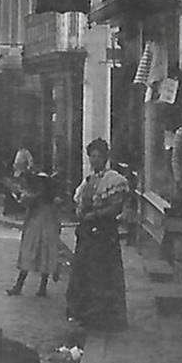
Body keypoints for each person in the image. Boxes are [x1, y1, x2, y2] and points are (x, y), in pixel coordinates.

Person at [66, 138, 129, 331]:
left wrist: (95, 215)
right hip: (87, 233)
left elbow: (116, 207)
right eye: (91, 157)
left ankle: (105, 317)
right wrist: (80, 211)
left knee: (102, 274)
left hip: (104, 233)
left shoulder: (114, 180)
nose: (94, 160)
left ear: (105, 158)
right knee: (84, 272)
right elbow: (80, 204)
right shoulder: (89, 181)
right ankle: (86, 314)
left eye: (97, 156)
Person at [6, 172, 62, 298]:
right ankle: (40, 287)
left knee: (30, 255)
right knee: (43, 257)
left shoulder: (36, 197)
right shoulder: (49, 199)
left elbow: (24, 202)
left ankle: (21, 286)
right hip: (45, 229)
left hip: (36, 228)